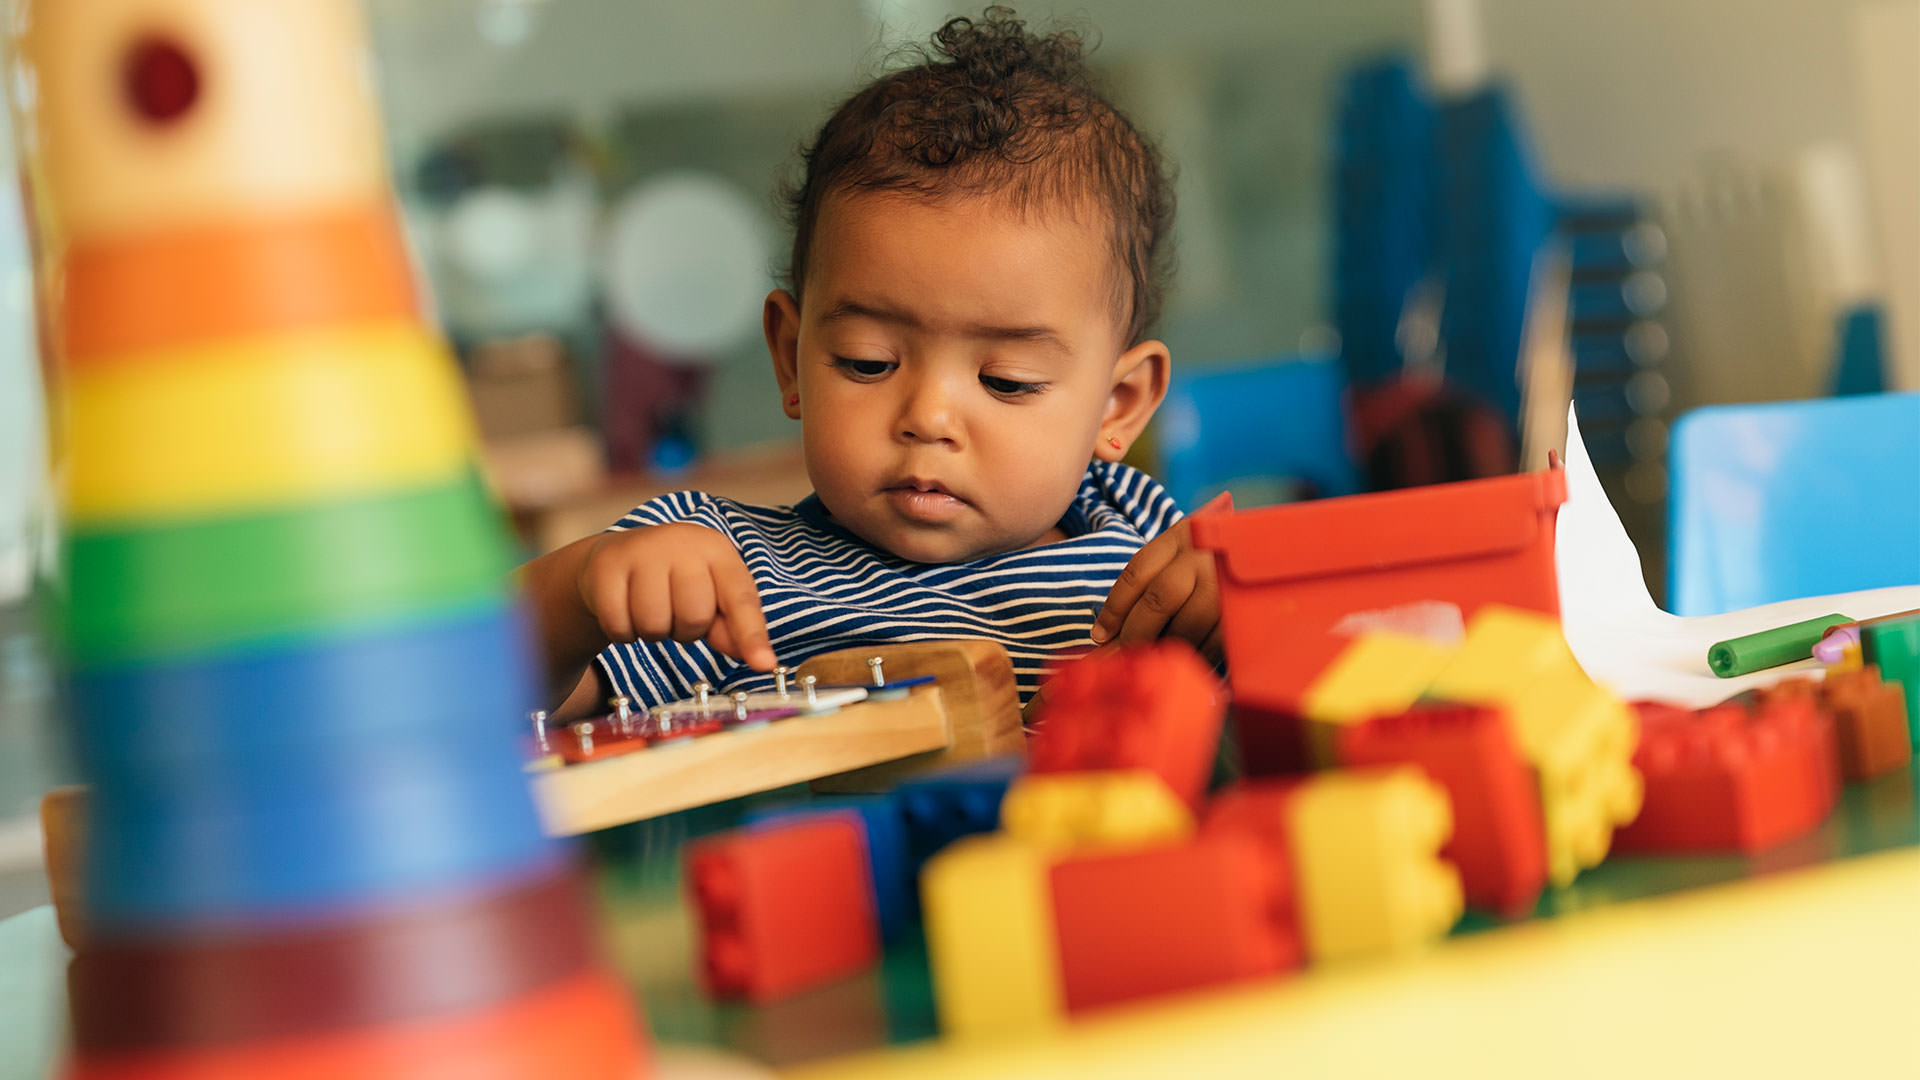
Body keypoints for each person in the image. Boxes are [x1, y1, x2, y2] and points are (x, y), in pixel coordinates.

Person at [519, 7, 1225, 721]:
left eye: (1006, 380)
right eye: (867, 363)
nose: (928, 418)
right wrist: (576, 595)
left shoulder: (1142, 553)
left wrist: (1240, 615)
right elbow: (480, 698)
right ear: (791, 360)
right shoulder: (725, 573)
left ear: (1119, 405)